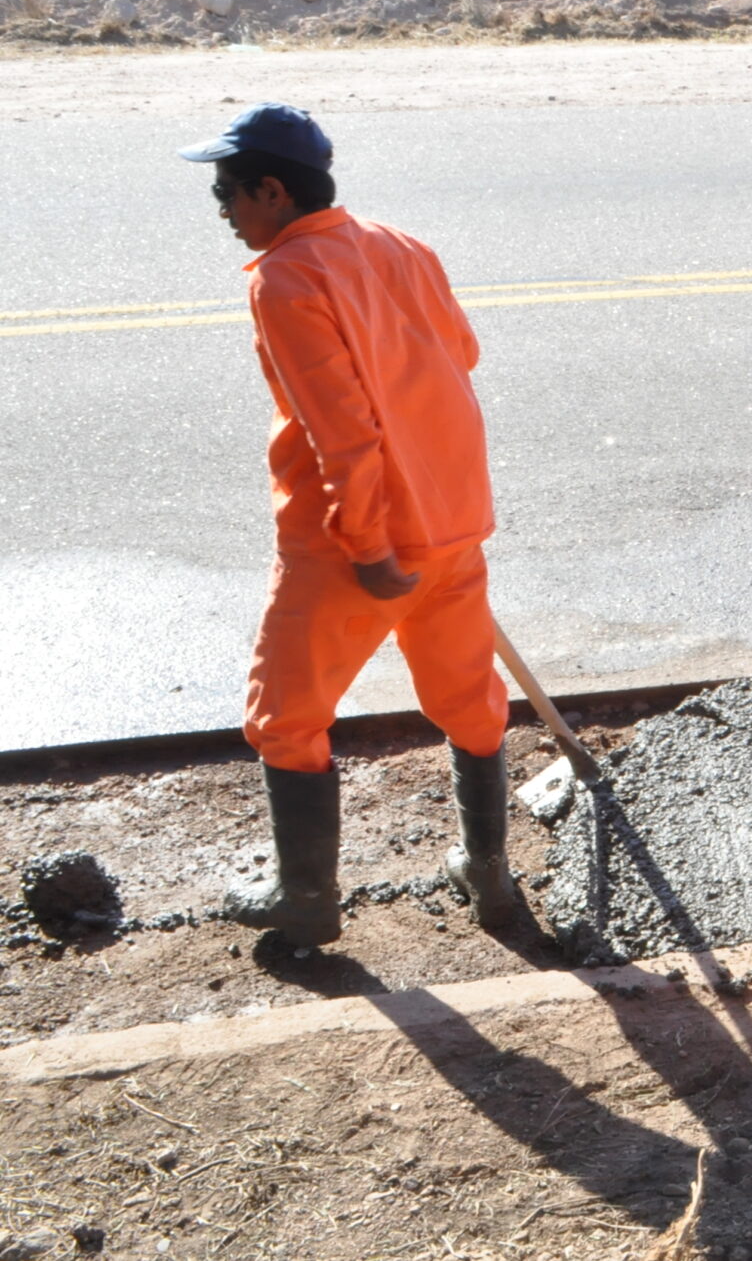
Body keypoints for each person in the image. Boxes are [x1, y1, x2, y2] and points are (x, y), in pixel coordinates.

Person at [180, 104, 518, 950]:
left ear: (272, 190)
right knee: (470, 702)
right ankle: (488, 874)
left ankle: (306, 902)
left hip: (356, 545)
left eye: (226, 191)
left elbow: (342, 430)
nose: (221, 210)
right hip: (451, 520)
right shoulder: (401, 244)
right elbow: (461, 356)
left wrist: (368, 546)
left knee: (286, 719)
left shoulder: (284, 277)